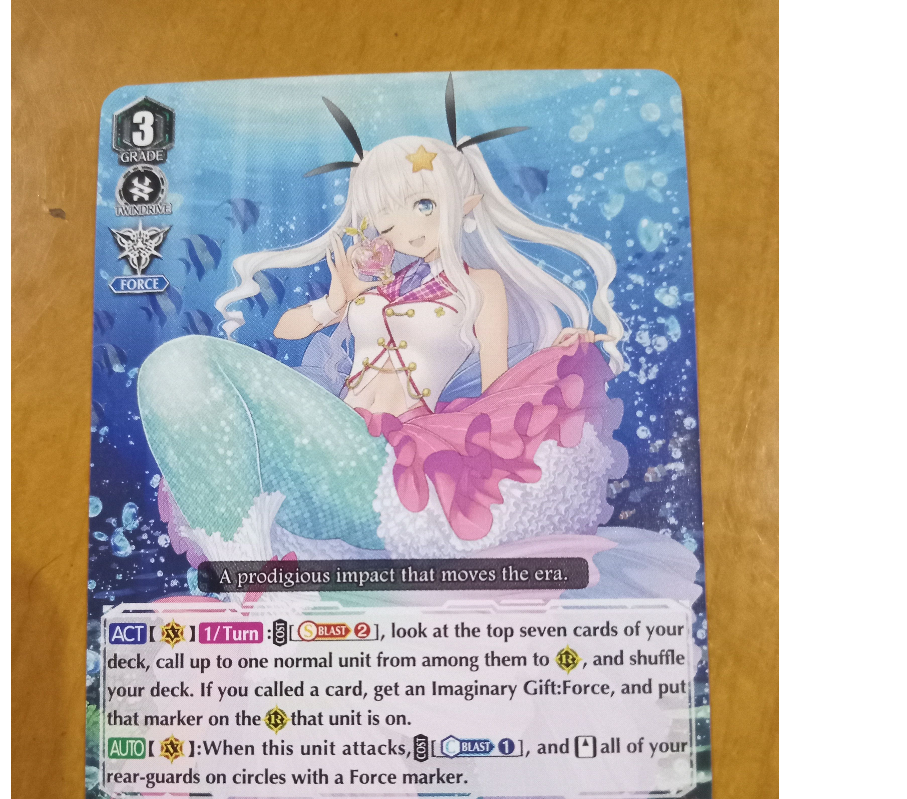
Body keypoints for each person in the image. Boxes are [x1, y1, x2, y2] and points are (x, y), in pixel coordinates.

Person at [139, 82, 644, 575]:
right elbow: (289, 329)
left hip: (393, 461)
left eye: (423, 204)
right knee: (184, 372)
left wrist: (553, 359)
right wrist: (337, 301)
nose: (402, 225)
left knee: (183, 360)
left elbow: (497, 391)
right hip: (336, 431)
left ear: (464, 205)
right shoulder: (377, 281)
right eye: (384, 212)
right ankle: (247, 574)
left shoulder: (480, 285)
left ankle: (251, 578)